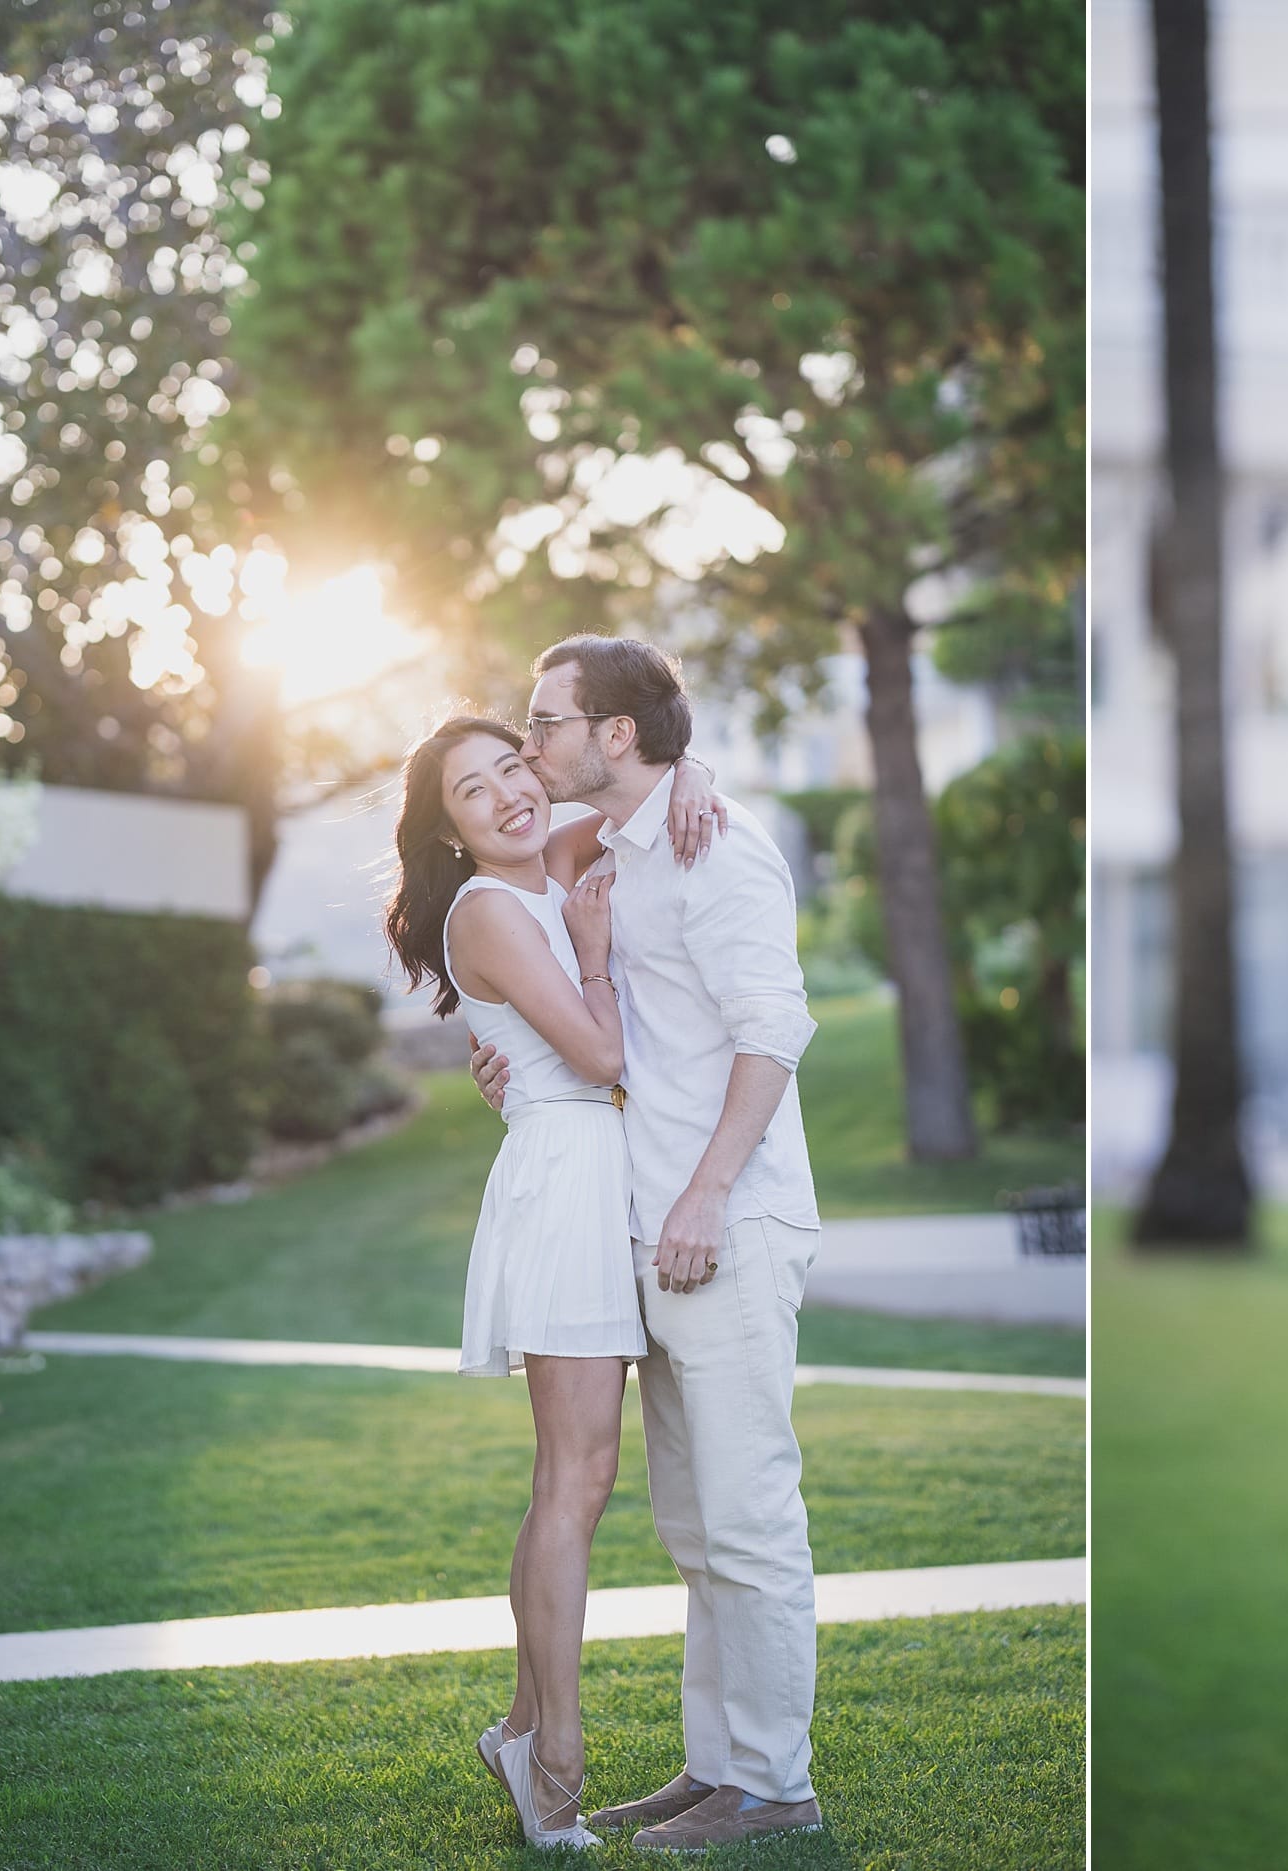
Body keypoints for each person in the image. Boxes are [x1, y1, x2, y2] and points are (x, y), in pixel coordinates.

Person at [470, 633, 828, 1853]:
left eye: (549, 720)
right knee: (693, 1525)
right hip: (654, 1232)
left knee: (749, 1516)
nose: (533, 743)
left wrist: (705, 1192)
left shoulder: (717, 844)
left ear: (612, 734)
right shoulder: (630, 841)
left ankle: (777, 1789)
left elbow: (774, 1028)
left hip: (721, 1221)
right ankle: (716, 1767)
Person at [381, 712, 715, 1849]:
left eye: (513, 767)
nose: (511, 795)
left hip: (587, 1167)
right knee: (573, 1480)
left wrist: (696, 765)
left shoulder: (548, 859)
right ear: (454, 832)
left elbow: (625, 805)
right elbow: (602, 1056)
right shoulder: (486, 907)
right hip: (566, 1178)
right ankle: (555, 1756)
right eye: (475, 792)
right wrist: (584, 952)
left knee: (578, 1475)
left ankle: (523, 1728)